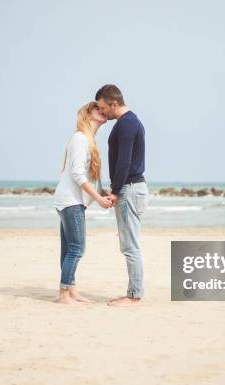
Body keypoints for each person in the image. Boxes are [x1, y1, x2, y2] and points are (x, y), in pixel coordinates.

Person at [53, 101, 113, 304]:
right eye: (98, 108)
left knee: (69, 249)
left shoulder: (87, 140)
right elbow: (78, 174)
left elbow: (89, 177)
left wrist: (104, 193)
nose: (103, 111)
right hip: (71, 201)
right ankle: (63, 294)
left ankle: (71, 290)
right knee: (77, 249)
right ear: (88, 114)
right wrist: (97, 198)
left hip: (68, 200)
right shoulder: (80, 139)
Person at [95, 84, 149, 307]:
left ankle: (134, 296)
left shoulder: (127, 124)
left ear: (113, 103)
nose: (102, 112)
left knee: (130, 246)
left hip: (129, 188)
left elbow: (124, 161)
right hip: (131, 187)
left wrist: (116, 191)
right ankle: (134, 293)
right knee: (130, 244)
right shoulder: (128, 122)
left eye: (102, 107)